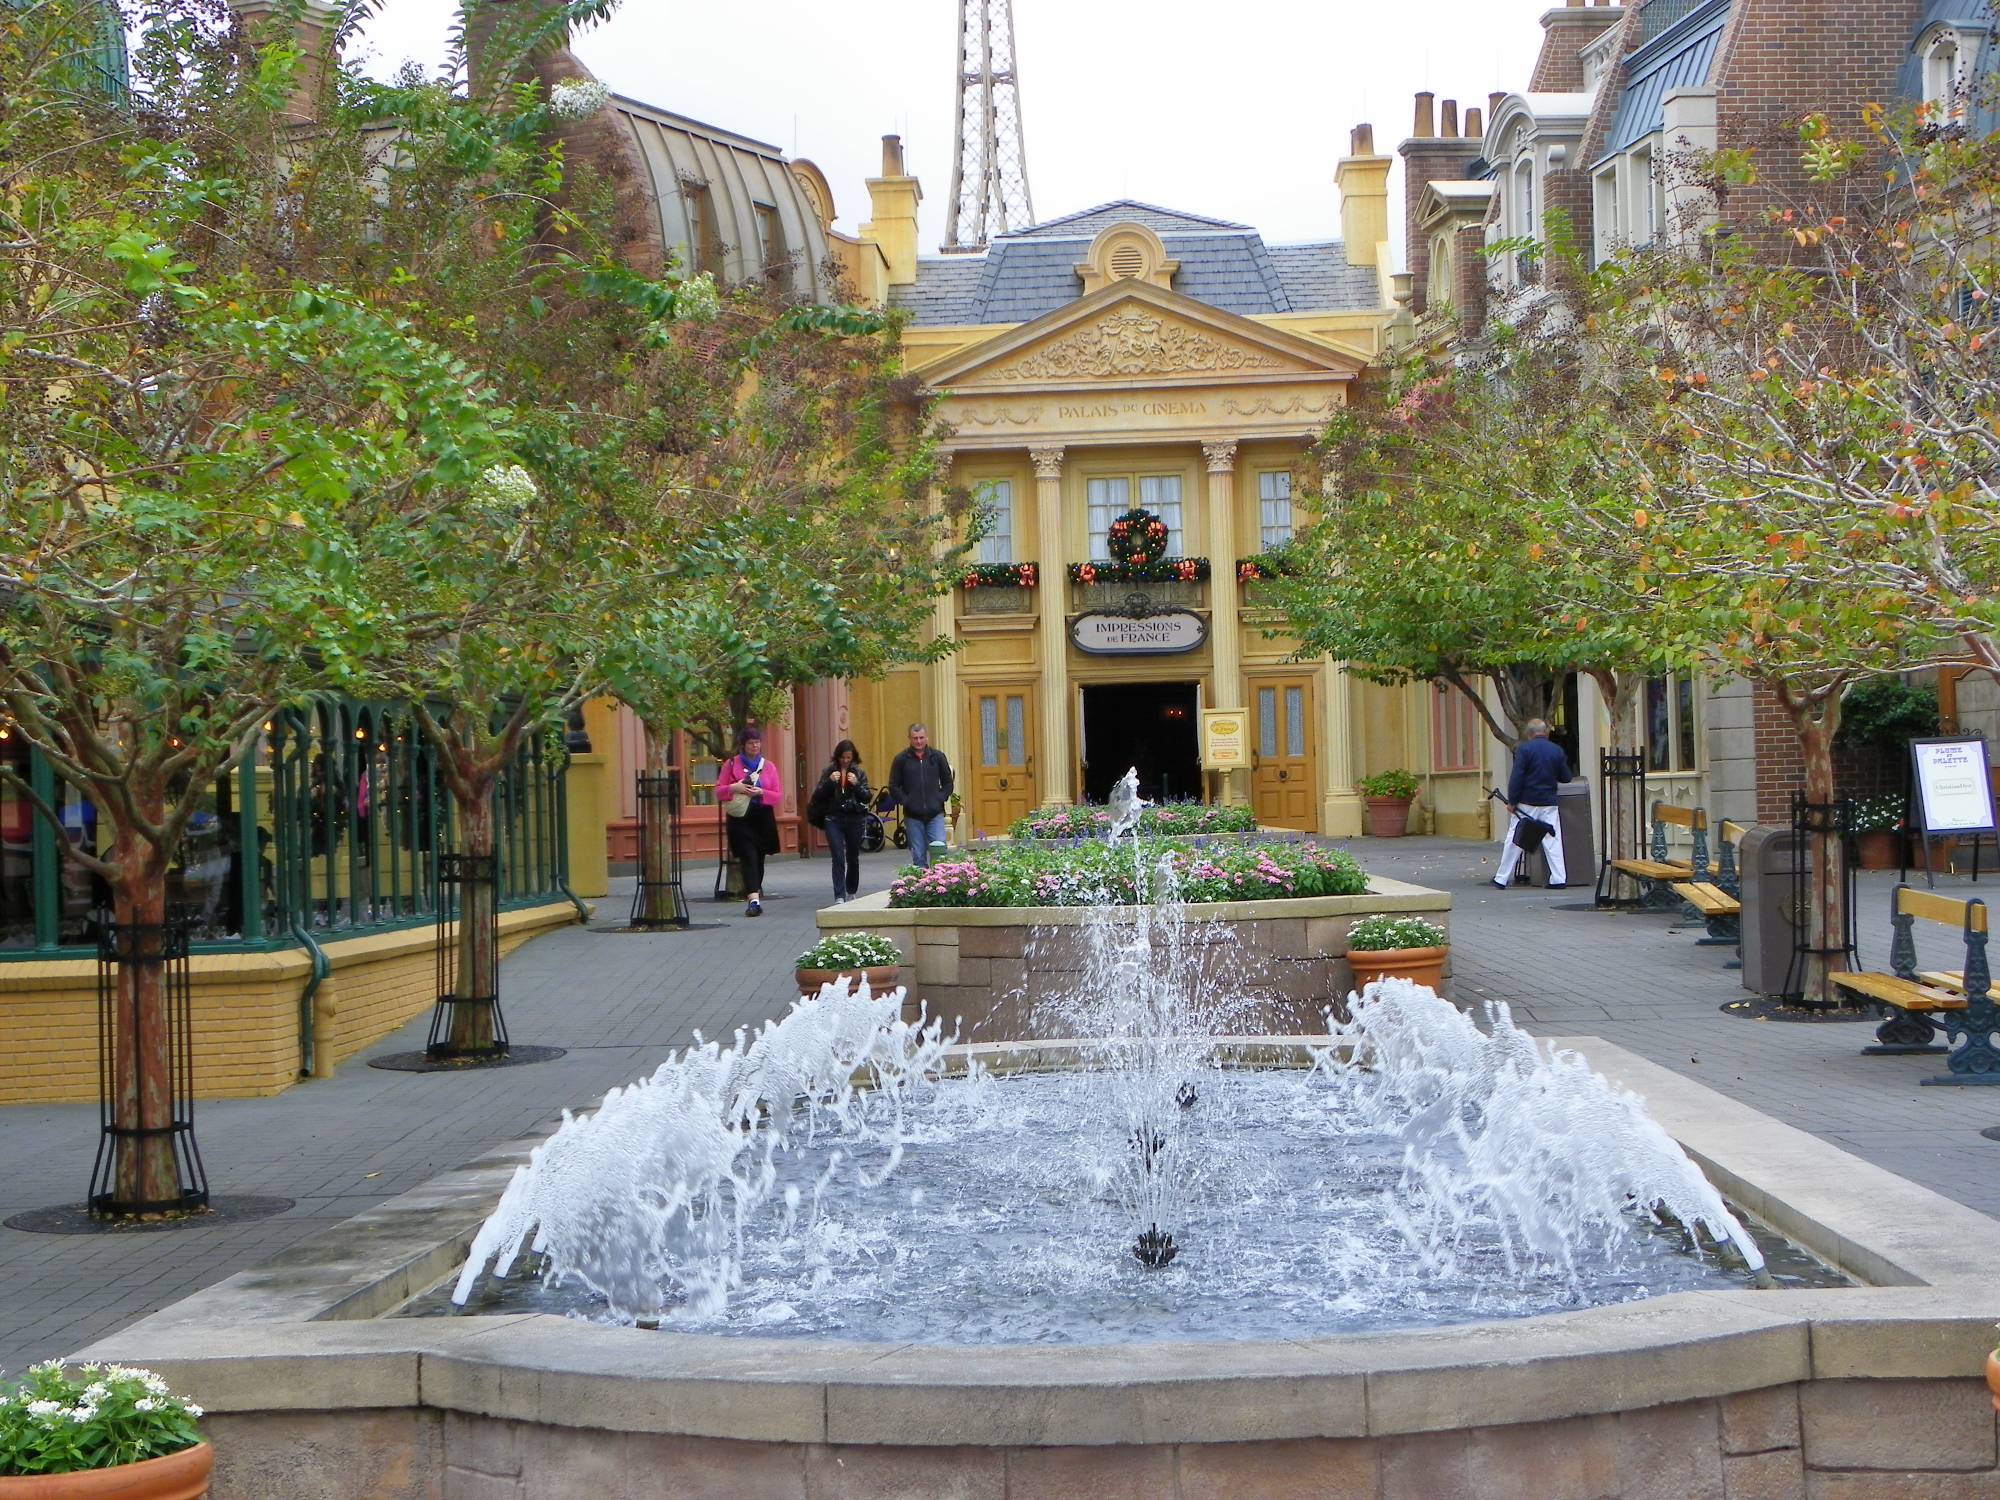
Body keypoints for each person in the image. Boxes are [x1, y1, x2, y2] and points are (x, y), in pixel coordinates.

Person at [1493, 718, 1573, 890]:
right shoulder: (1556, 751)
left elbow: (1517, 777)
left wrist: (1512, 801)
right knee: (1553, 839)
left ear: (1529, 734)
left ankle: (1501, 878)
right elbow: (1566, 777)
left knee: (1516, 838)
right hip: (1549, 802)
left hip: (1526, 802)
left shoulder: (1524, 750)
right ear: (1546, 732)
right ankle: (1559, 879)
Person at [715, 728, 782, 916]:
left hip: (762, 817)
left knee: (759, 859)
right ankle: (753, 901)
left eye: (757, 742)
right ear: (743, 745)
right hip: (740, 819)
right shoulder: (731, 764)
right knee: (748, 856)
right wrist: (734, 787)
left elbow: (777, 796)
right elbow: (719, 791)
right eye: (751, 743)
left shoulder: (768, 766)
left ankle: (755, 891)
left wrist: (761, 793)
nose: (755, 746)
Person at [810, 740, 872, 903]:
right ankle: (839, 894)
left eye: (848, 757)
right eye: (842, 757)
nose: (845, 760)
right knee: (837, 856)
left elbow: (867, 796)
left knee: (852, 856)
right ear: (837, 757)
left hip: (854, 817)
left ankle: (851, 890)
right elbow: (817, 796)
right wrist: (830, 782)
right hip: (833, 818)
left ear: (853, 758)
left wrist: (856, 785)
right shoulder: (828, 772)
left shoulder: (859, 773)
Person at [886, 723, 954, 871]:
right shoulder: (901, 760)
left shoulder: (938, 757)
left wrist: (940, 797)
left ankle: (940, 888)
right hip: (913, 816)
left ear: (927, 737)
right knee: (918, 857)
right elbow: (893, 785)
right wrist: (906, 801)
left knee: (939, 853)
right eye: (915, 738)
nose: (918, 741)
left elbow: (948, 782)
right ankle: (922, 888)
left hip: (935, 813)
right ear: (909, 739)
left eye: (921, 738)